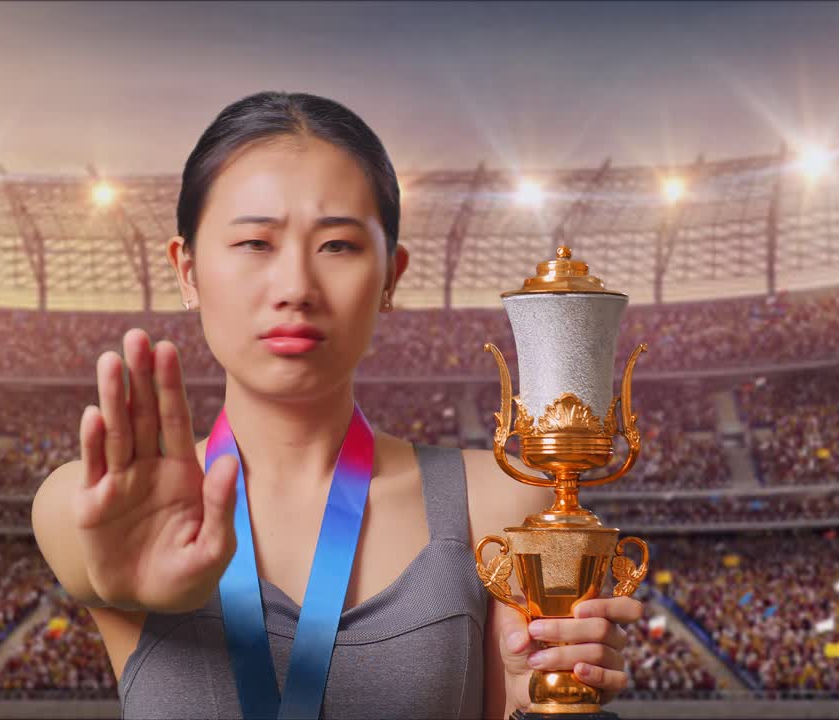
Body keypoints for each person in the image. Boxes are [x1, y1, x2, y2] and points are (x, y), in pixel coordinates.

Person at [32, 91, 640, 719]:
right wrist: (116, 579)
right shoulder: (108, 507)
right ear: (186, 270)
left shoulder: (501, 502)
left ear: (390, 278)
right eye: (254, 244)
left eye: (339, 246)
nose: (295, 287)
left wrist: (546, 700)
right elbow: (78, 543)